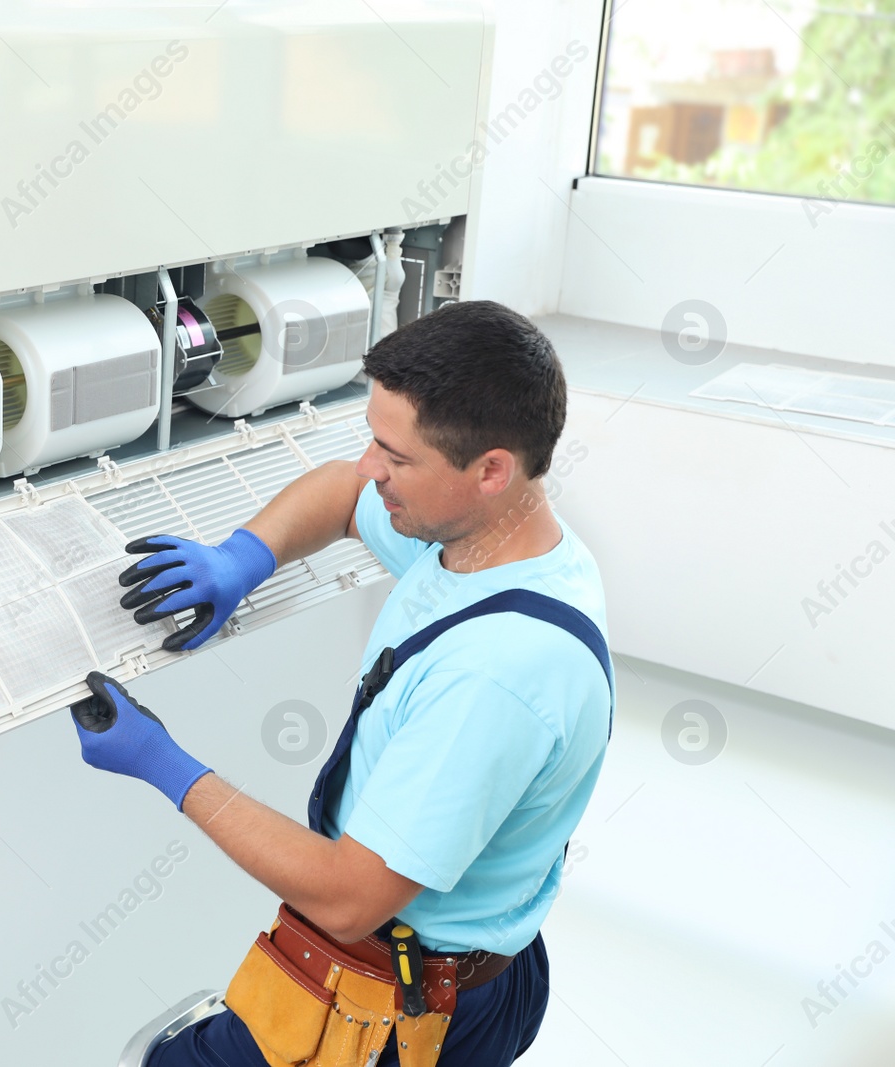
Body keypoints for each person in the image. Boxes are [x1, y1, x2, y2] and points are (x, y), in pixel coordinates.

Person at [69, 300, 613, 1067]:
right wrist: (242, 557)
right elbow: (340, 493)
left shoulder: (494, 680)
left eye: (396, 456)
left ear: (491, 469)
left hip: (406, 1012)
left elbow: (348, 897)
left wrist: (163, 763)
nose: (370, 467)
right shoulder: (495, 546)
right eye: (373, 439)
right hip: (487, 967)